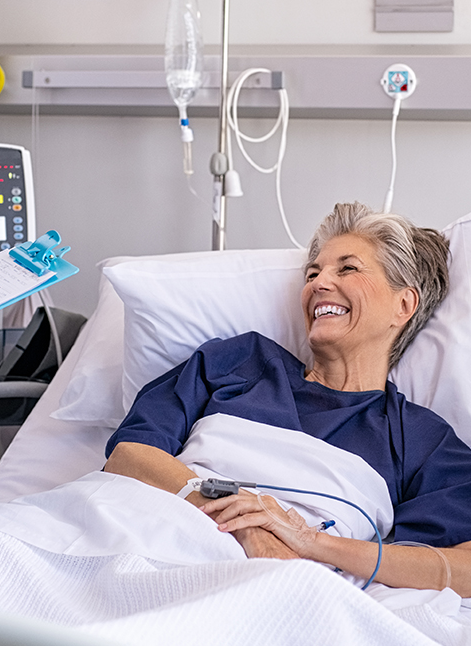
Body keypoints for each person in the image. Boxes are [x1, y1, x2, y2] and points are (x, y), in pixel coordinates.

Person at [104, 202, 471, 596]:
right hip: (150, 536)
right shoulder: (241, 361)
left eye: (346, 268)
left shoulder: (422, 439)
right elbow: (128, 455)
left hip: (283, 587)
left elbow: (461, 569)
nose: (318, 283)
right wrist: (247, 523)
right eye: (313, 273)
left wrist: (311, 542)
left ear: (404, 305)